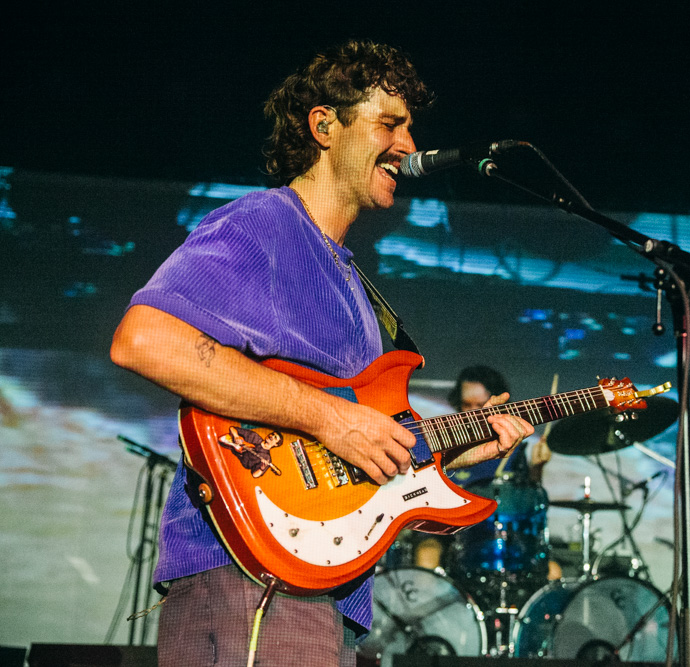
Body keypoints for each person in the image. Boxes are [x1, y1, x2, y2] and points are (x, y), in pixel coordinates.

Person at [109, 40, 534, 667]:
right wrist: (330, 417)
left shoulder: (354, 284)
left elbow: (355, 443)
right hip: (252, 575)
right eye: (390, 124)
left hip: (319, 583)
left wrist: (447, 446)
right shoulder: (267, 223)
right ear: (324, 126)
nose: (410, 147)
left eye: (412, 129)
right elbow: (145, 339)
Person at [413, 365, 554, 574]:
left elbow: (524, 500)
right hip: (448, 531)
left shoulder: (510, 446)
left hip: (493, 533)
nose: (472, 413)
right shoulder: (443, 440)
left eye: (480, 406)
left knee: (552, 571)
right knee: (427, 555)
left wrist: (537, 468)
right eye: (466, 405)